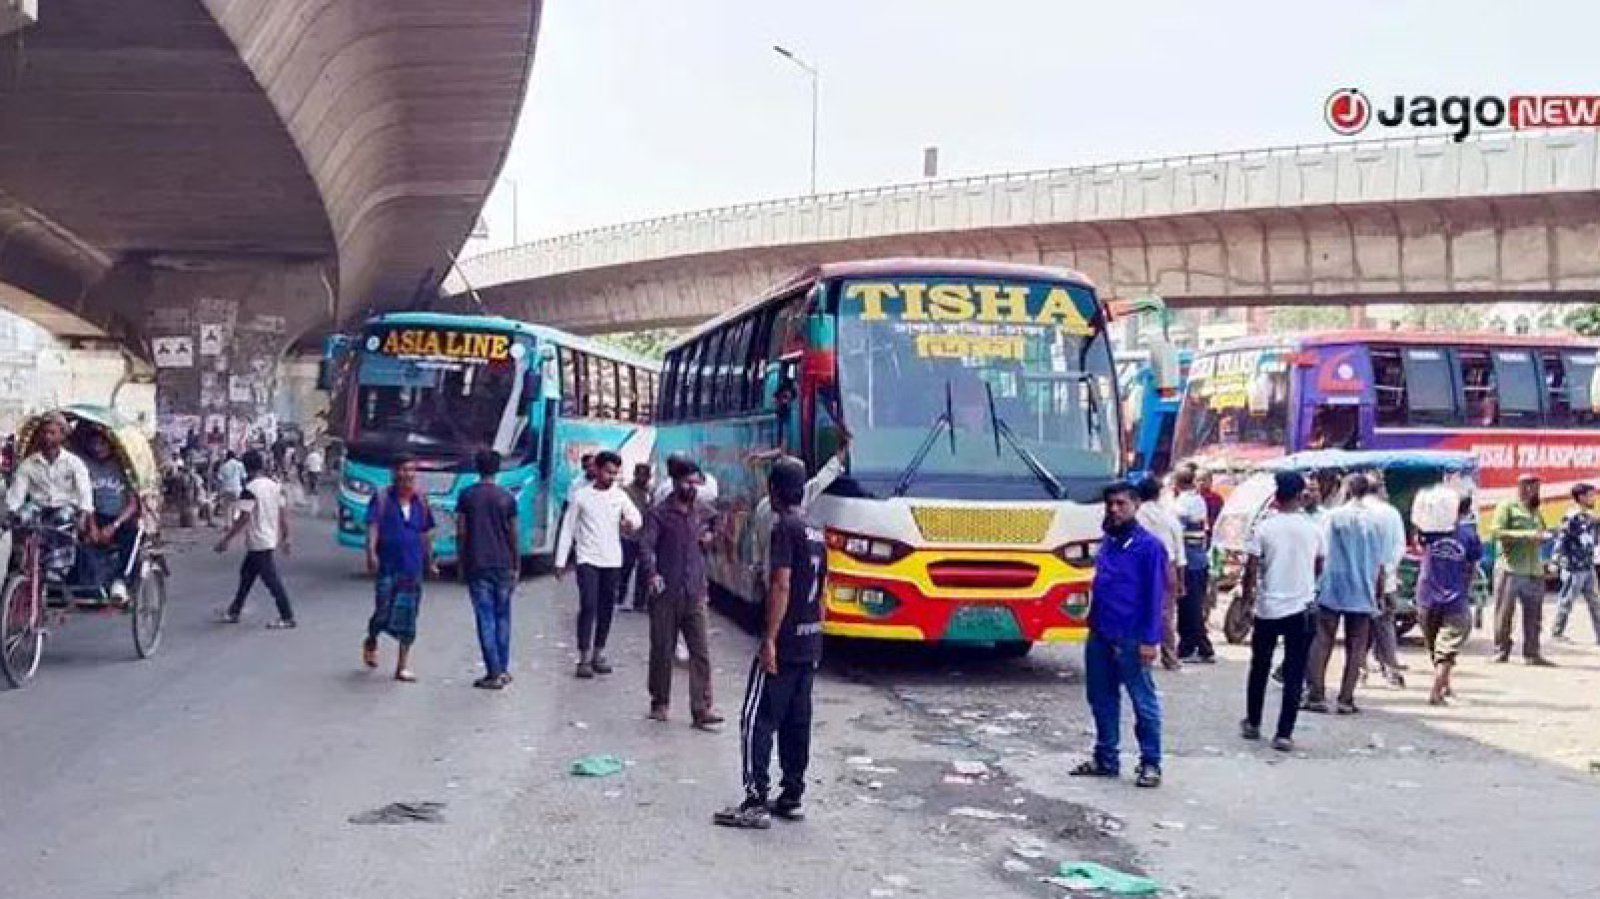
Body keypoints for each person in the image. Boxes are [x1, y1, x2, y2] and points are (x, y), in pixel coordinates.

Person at [715, 456, 826, 829]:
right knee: (798, 720)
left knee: (756, 719)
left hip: (787, 638)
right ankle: (792, 794)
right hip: (810, 641)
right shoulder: (815, 531)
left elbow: (781, 583)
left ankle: (755, 799)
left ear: (774, 491)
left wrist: (770, 640)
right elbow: (823, 590)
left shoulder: (784, 528)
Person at [1070, 481, 1166, 788]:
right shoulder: (1109, 541)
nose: (1114, 509)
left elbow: (1155, 597)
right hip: (1100, 631)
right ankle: (1106, 757)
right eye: (1110, 503)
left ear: (1136, 505)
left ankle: (1150, 763)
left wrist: (1151, 640)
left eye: (1121, 503)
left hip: (1132, 636)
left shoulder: (1149, 547)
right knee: (1100, 697)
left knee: (1142, 700)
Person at [1240, 471, 1324, 752]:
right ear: (1301, 496)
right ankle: (1283, 733)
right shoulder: (1313, 528)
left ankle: (1253, 722)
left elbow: (1251, 569)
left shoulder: (1264, 527)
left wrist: (1247, 600)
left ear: (1276, 495)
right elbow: (1318, 565)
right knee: (1295, 670)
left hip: (1268, 607)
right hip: (1302, 607)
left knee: (1260, 666)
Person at [637, 458, 723, 728]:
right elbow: (646, 547)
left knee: (701, 652)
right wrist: (652, 574)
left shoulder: (701, 510)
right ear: (675, 482)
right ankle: (659, 702)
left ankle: (701, 709)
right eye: (687, 482)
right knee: (663, 649)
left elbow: (717, 524)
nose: (692, 487)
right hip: (666, 593)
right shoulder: (659, 514)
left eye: (695, 482)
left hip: (695, 591)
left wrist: (710, 536)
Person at [1304, 474, 1385, 715]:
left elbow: (1321, 552)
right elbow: (1380, 562)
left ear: (1347, 490)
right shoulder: (1375, 522)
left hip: (1334, 584)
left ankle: (1316, 695)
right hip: (1363, 587)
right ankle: (1346, 699)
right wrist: (1378, 591)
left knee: (1322, 640)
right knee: (1357, 645)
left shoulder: (1333, 517)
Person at [555, 450, 641, 678]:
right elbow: (568, 529)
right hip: (587, 559)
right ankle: (583, 657)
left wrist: (630, 523)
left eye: (615, 473)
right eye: (608, 471)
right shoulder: (581, 496)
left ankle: (598, 653)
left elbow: (636, 518)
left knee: (606, 609)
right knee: (588, 606)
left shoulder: (620, 497)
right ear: (597, 470)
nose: (611, 477)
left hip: (612, 560)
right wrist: (560, 561)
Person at [364, 456, 437, 682]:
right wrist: (371, 552)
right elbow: (373, 526)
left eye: (411, 470)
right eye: (402, 469)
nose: (407, 474)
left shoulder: (421, 501)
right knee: (382, 612)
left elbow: (426, 533)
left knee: (409, 617)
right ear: (394, 472)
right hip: (388, 565)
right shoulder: (383, 498)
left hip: (412, 567)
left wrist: (430, 560)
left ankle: (402, 666)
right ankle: (372, 639)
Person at [457, 449, 519, 690]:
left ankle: (493, 672)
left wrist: (461, 563)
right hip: (503, 563)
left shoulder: (467, 496)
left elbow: (461, 532)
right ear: (498, 468)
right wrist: (516, 564)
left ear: (476, 467)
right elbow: (513, 534)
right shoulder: (507, 498)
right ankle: (502, 669)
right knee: (503, 617)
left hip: (477, 563)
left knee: (485, 617)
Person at [7, 411, 94, 580]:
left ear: (62, 435)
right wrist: (11, 512)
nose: (47, 437)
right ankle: (22, 561)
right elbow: (17, 494)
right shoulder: (29, 464)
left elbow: (84, 493)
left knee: (60, 520)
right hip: (39, 506)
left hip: (65, 507)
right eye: (45, 432)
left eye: (52, 433)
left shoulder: (74, 463)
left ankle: (56, 568)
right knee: (21, 518)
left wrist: (84, 515)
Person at [1416, 493, 1483, 705]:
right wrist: (1466, 589)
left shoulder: (1428, 533)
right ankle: (1437, 692)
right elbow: (1472, 568)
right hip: (1454, 599)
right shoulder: (1469, 535)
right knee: (1445, 651)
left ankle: (1444, 687)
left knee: (1437, 649)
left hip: (1426, 598)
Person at [215, 450, 295, 628]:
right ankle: (234, 610)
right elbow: (283, 514)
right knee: (247, 575)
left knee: (271, 580)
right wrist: (286, 536)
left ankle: (287, 615)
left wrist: (226, 540)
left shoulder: (250, 490)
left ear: (246, 467)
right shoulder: (274, 486)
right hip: (268, 538)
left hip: (258, 540)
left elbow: (243, 518)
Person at [1491, 473, 1554, 666]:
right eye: (1530, 486)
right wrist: (1526, 535)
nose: (1534, 490)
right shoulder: (1507, 506)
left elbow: (1542, 531)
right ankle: (1501, 651)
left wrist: (1544, 537)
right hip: (1510, 568)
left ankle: (1532, 653)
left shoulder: (1536, 511)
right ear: (1521, 487)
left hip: (1534, 570)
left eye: (1537, 486)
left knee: (1534, 615)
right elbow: (1496, 532)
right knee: (1504, 614)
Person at [81, 430, 141, 603]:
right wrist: (92, 526)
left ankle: (121, 581)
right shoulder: (86, 466)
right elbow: (85, 499)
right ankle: (88, 583)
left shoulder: (124, 468)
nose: (98, 448)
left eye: (102, 444)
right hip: (95, 515)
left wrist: (114, 525)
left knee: (131, 534)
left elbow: (132, 504)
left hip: (120, 517)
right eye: (95, 444)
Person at [1362, 472, 1409, 688]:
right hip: (1387, 581)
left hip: (1360, 581)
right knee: (1385, 625)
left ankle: (1359, 671)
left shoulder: (1356, 512)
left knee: (1359, 627)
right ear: (1379, 490)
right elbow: (1400, 546)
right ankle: (1391, 670)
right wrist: (1390, 570)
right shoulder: (1390, 513)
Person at [1135, 477, 1184, 670]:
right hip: (1167, 566)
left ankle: (1139, 655)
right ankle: (1170, 658)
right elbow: (1180, 553)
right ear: (1158, 494)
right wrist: (1181, 581)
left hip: (1140, 567)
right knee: (1166, 615)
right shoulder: (1169, 517)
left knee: (1139, 610)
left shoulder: (1135, 516)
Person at [1171, 465, 1215, 663]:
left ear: (1177, 483)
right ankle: (1187, 646)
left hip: (1188, 561)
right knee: (1191, 605)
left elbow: (1177, 535)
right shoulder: (1199, 500)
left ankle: (1202, 648)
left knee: (1190, 607)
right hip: (1199, 559)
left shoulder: (1180, 505)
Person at [1552, 482, 1600, 645]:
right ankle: (1557, 633)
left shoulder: (1592, 517)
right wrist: (1556, 560)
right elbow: (1561, 538)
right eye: (1591, 495)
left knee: (1595, 602)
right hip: (1574, 567)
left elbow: (1594, 540)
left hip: (1588, 566)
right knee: (1567, 600)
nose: (1594, 498)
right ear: (1581, 497)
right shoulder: (1571, 517)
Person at [618, 462, 653, 611]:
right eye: (640, 474)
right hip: (629, 536)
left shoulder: (651, 492)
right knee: (626, 567)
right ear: (635, 474)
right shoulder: (626, 491)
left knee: (644, 569)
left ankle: (639, 601)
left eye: (646, 475)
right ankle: (620, 597)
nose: (643, 478)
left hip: (645, 536)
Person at [215, 452, 246, 528]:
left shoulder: (223, 466)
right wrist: (244, 487)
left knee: (227, 507)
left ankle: (228, 525)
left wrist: (218, 491)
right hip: (237, 488)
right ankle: (235, 523)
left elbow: (219, 479)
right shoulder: (240, 465)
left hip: (226, 488)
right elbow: (243, 477)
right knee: (237, 506)